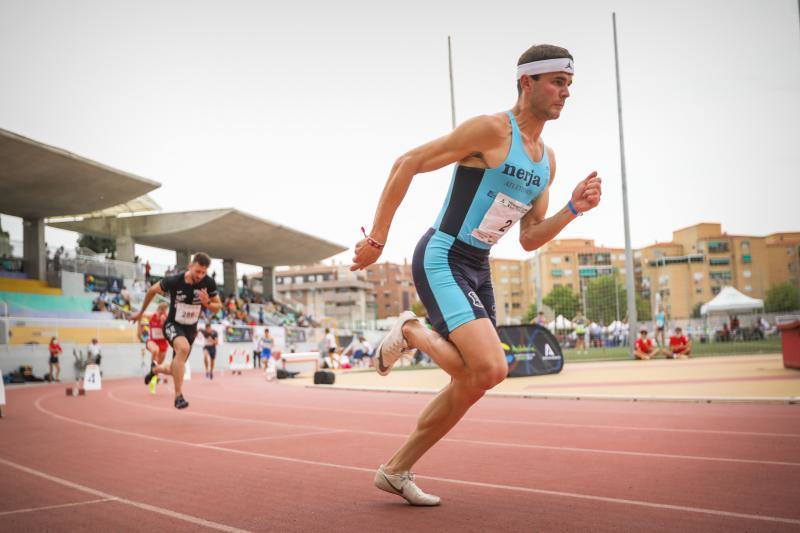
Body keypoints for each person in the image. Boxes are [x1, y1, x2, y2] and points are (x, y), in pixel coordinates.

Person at [350, 44, 601, 505]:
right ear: (527, 81)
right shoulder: (489, 130)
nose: (566, 93)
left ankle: (396, 469)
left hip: (478, 266)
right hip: (443, 255)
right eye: (558, 82)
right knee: (491, 367)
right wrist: (378, 239)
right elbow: (407, 163)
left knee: (474, 381)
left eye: (569, 85)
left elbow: (528, 238)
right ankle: (410, 329)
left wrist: (571, 209)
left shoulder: (547, 161)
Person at [130, 252, 221, 409]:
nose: (200, 275)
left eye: (203, 272)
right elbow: (152, 290)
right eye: (197, 271)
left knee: (175, 369)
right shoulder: (174, 281)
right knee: (183, 348)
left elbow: (217, 308)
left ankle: (155, 370)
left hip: (190, 330)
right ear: (190, 266)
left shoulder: (208, 283)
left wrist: (207, 304)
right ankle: (178, 396)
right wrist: (140, 313)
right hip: (172, 324)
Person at [143, 302, 170, 394]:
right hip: (152, 341)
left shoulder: (168, 318)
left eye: (163, 312)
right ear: (157, 310)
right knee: (155, 350)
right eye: (159, 311)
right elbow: (141, 314)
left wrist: (164, 323)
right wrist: (139, 332)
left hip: (163, 344)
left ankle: (152, 382)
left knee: (157, 367)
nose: (160, 314)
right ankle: (153, 373)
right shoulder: (151, 316)